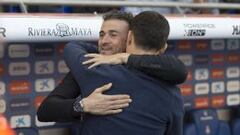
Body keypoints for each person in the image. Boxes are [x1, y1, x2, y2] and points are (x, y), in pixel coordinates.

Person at [37, 10, 187, 122]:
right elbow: (45, 111)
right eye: (102, 34)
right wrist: (82, 105)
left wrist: (124, 57)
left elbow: (178, 70)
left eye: (113, 35)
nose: (104, 41)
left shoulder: (152, 68)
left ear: (130, 38)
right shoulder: (91, 64)